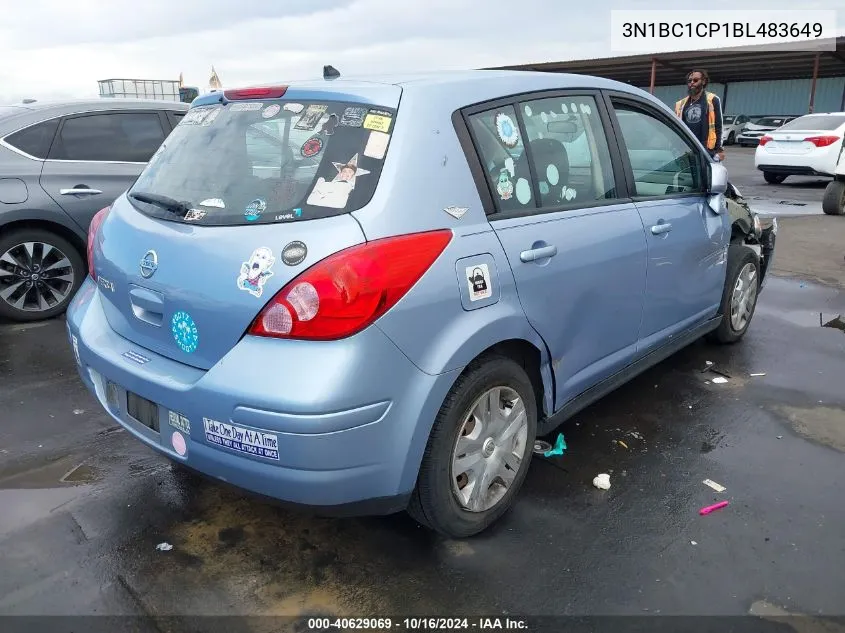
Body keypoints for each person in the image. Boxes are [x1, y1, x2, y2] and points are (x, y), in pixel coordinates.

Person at [674, 69, 725, 162]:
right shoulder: (681, 104)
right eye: (689, 81)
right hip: (686, 149)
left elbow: (718, 126)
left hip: (706, 150)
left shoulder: (712, 100)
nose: (692, 83)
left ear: (703, 81)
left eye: (695, 80)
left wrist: (719, 149)